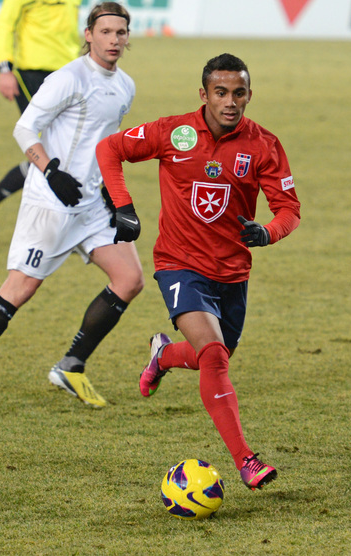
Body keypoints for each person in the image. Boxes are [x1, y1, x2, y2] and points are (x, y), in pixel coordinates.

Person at [95, 53, 301, 490]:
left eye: (238, 93)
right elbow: (109, 149)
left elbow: (289, 209)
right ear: (203, 94)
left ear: (249, 95)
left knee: (215, 355)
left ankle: (164, 355)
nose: (230, 102)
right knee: (213, 354)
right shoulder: (174, 132)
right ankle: (246, 461)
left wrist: (267, 232)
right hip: (179, 264)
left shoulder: (263, 145)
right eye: (220, 92)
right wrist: (123, 206)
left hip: (232, 272)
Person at [0, 3, 141, 417]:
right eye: (105, 32)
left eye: (120, 33)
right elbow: (24, 128)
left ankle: (70, 366)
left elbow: (107, 145)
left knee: (129, 279)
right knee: (20, 290)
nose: (113, 40)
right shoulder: (68, 78)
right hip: (50, 203)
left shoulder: (125, 85)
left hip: (90, 203)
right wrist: (50, 170)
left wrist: (112, 194)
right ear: (89, 35)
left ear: (128, 37)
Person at [0, 0, 81, 249]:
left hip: (68, 74)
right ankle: (60, 231)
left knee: (60, 155)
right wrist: (4, 69)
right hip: (32, 74)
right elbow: (4, 25)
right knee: (47, 155)